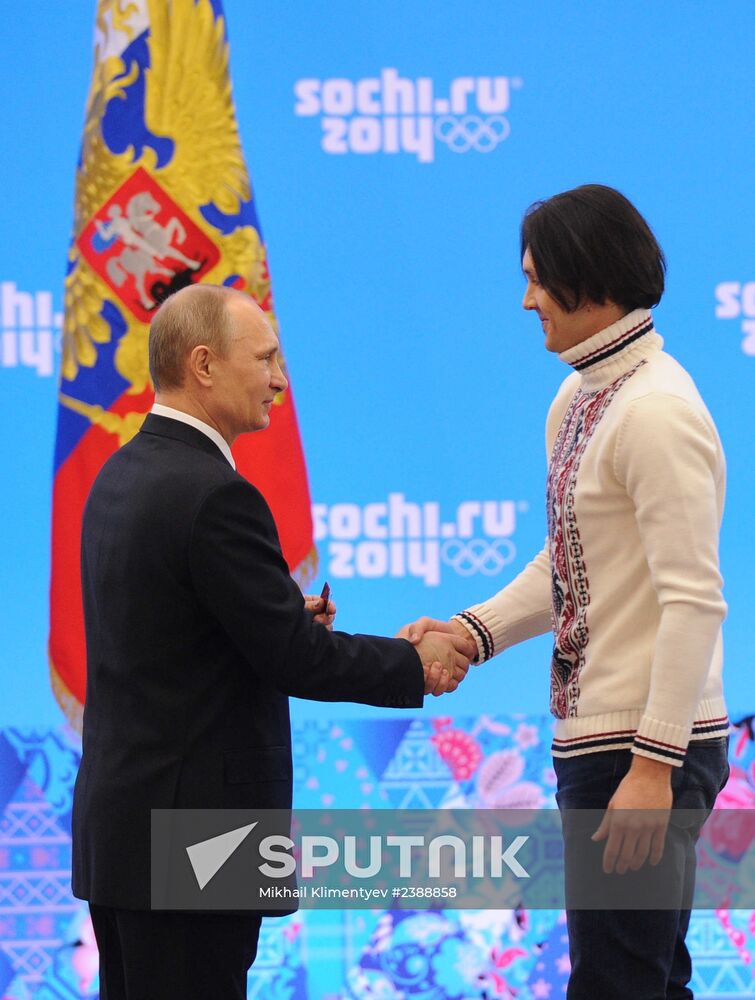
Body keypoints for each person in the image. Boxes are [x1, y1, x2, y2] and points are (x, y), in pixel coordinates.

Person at [71, 283, 474, 1000]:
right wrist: (415, 664)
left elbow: (171, 634)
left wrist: (275, 620)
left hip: (126, 834)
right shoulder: (214, 493)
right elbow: (295, 659)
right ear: (203, 365)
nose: (280, 380)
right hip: (199, 843)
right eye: (264, 359)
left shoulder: (119, 472)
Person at [404, 184, 729, 999]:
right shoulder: (578, 397)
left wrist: (653, 767)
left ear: (589, 276)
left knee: (618, 984)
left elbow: (693, 601)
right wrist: (471, 632)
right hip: (602, 746)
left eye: (536, 279)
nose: (527, 301)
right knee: (646, 981)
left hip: (639, 750)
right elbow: (571, 560)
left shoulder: (655, 410)